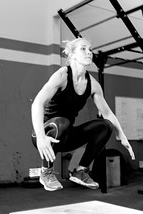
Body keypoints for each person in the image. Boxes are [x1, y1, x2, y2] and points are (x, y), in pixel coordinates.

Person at [31, 37, 135, 191]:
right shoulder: (61, 76)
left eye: (90, 49)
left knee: (106, 126)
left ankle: (80, 170)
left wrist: (122, 135)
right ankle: (46, 171)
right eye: (83, 49)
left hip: (67, 137)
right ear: (71, 55)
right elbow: (37, 103)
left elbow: (107, 113)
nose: (89, 52)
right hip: (46, 134)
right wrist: (40, 136)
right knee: (62, 122)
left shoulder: (93, 84)